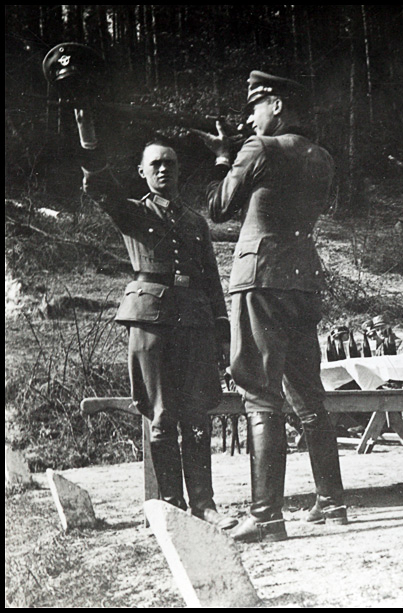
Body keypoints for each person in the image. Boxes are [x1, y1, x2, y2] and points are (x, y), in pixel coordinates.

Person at [196, 71, 345, 541]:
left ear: (276, 105)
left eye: (255, 107)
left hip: (260, 279)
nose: (249, 117)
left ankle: (266, 515)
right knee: (308, 394)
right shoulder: (321, 157)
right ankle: (332, 501)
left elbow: (218, 207)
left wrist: (224, 157)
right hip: (303, 281)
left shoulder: (259, 150)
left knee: (260, 390)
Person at [73, 108, 236, 530]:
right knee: (162, 415)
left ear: (179, 170)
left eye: (171, 163)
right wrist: (88, 137)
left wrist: (222, 332)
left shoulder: (196, 222)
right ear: (142, 172)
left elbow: (212, 281)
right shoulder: (134, 213)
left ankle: (204, 504)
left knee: (197, 414)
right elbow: (100, 188)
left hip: (196, 321)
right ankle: (171, 505)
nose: (164, 169)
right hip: (150, 321)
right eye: (156, 164)